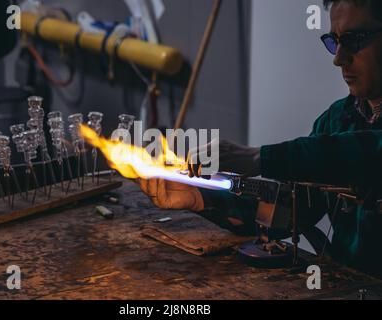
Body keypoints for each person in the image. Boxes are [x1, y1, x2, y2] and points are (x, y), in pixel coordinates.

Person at [139, 0, 382, 277]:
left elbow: (364, 153)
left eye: (353, 40)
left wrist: (258, 158)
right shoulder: (340, 118)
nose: (338, 58)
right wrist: (201, 197)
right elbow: (295, 208)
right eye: (334, 41)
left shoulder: (349, 139)